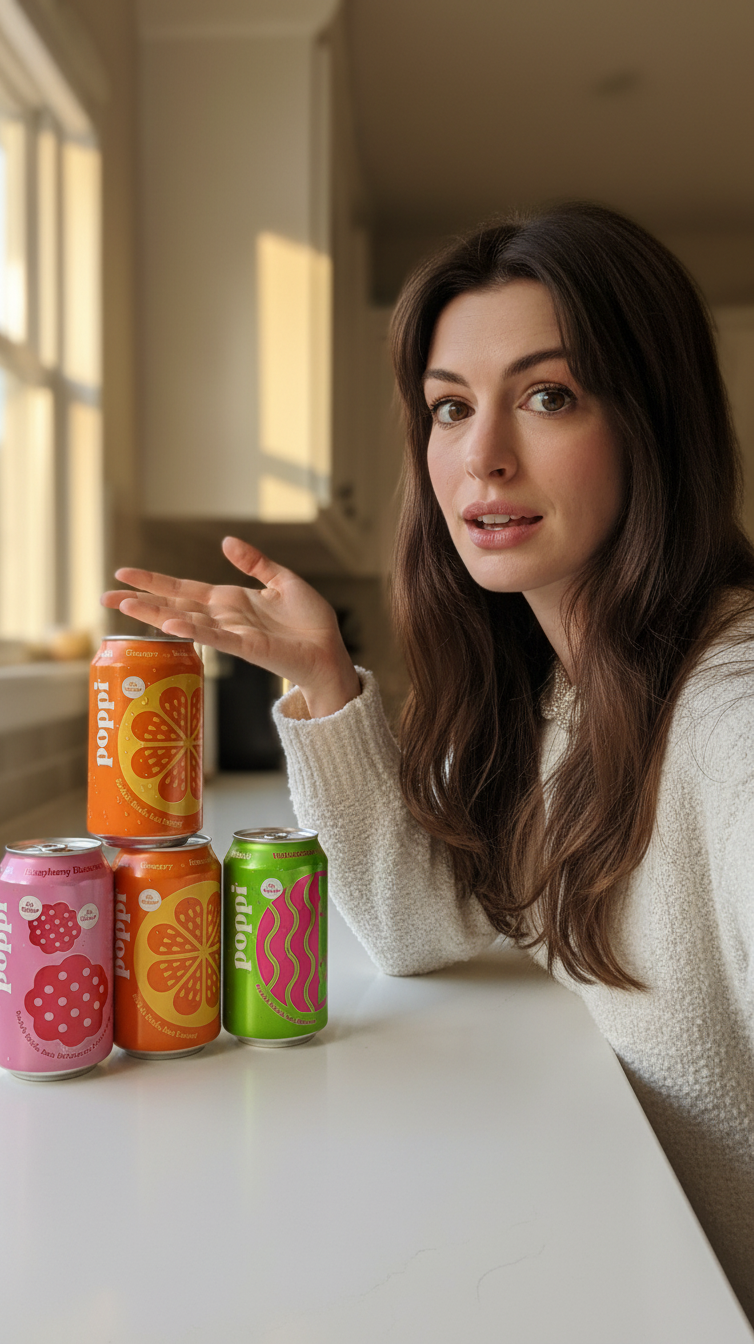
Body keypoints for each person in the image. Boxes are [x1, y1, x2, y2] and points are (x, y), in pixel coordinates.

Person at [103, 202, 754, 1321]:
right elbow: (423, 928)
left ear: (655, 422)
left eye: (549, 396)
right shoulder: (559, 695)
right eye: (450, 407)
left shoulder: (728, 708)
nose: (483, 455)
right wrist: (323, 679)